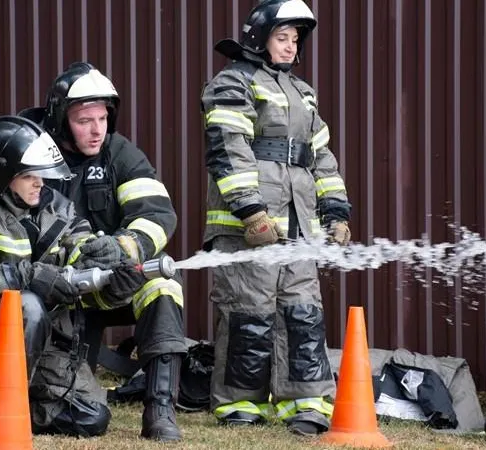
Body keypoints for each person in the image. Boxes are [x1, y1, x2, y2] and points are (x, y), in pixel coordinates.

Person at [0, 115, 145, 436]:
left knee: (90, 417)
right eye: (29, 175)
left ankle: (14, 404)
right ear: (2, 175)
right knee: (25, 306)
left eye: (41, 174)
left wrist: (116, 280)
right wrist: (26, 277)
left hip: (47, 339)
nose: (40, 182)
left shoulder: (58, 212)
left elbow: (82, 270)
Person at [200, 0, 352, 436]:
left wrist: (335, 210)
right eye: (282, 38)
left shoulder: (302, 92)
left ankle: (305, 403)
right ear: (258, 37)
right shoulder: (232, 82)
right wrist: (250, 210)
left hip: (299, 225)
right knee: (249, 310)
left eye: (295, 39)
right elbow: (229, 148)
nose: (290, 47)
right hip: (250, 225)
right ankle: (240, 404)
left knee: (302, 311)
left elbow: (320, 157)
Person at [19, 62, 186, 442]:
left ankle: (160, 410)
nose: (97, 130)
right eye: (83, 120)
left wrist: (124, 249)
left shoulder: (120, 154)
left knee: (163, 288)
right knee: (77, 404)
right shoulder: (31, 154)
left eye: (102, 118)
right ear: (61, 120)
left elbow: (156, 213)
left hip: (110, 282)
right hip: (57, 291)